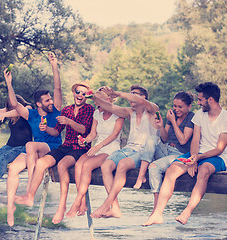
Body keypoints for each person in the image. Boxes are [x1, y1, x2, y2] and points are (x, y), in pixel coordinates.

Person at [142, 82, 227, 226]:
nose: (198, 102)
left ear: (210, 99)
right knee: (171, 170)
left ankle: (187, 212)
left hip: (217, 158)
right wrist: (193, 158)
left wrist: (198, 158)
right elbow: (196, 139)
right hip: (197, 154)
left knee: (203, 170)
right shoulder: (200, 114)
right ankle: (157, 214)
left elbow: (219, 149)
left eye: (200, 99)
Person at [15, 81, 95, 225]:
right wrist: (45, 129)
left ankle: (61, 207)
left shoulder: (89, 109)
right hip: (65, 146)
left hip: (80, 148)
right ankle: (30, 196)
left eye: (84, 93)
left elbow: (84, 130)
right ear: (73, 93)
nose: (80, 95)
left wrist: (69, 122)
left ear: (86, 97)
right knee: (41, 162)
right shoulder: (67, 110)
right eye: (78, 92)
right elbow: (56, 131)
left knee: (62, 165)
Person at [5, 52, 63, 226]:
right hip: (33, 151)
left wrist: (54, 65)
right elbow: (15, 104)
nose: (51, 101)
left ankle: (30, 192)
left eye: (51, 98)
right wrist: (9, 83)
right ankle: (10, 208)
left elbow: (58, 88)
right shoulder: (31, 114)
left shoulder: (56, 110)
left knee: (30, 145)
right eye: (47, 100)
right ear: (39, 103)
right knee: (13, 169)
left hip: (51, 147)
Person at [89, 85, 159, 218]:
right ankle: (115, 208)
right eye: (130, 93)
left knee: (122, 164)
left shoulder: (152, 109)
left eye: (135, 94)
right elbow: (109, 106)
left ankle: (105, 205)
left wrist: (117, 93)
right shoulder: (129, 112)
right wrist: (92, 97)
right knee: (106, 165)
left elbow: (143, 103)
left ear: (143, 97)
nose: (131, 96)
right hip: (128, 149)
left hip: (144, 152)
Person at [65, 88, 124, 218]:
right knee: (79, 163)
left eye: (98, 102)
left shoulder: (118, 114)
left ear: (107, 101)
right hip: (98, 146)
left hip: (110, 148)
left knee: (87, 165)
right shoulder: (97, 113)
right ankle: (83, 203)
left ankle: (76, 202)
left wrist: (98, 146)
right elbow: (93, 134)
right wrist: (85, 141)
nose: (96, 105)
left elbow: (114, 135)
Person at [133, 91, 195, 213]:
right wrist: (161, 126)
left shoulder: (191, 118)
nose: (176, 109)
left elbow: (183, 140)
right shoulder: (172, 116)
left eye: (180, 107)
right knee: (152, 138)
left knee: (154, 167)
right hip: (166, 150)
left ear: (189, 106)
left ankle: (156, 207)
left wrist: (173, 122)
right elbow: (165, 138)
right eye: (175, 106)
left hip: (179, 155)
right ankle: (141, 176)